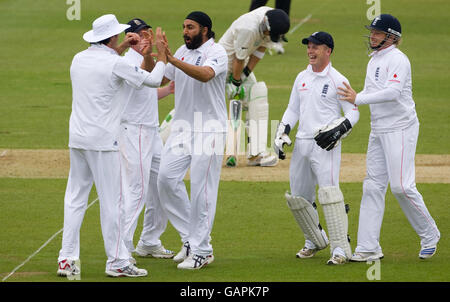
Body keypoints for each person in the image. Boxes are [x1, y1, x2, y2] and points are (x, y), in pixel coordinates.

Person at [57, 14, 167, 278]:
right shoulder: (115, 64)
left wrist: (119, 49)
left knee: (74, 199)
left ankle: (67, 259)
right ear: (113, 37)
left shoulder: (79, 59)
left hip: (78, 140)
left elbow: (105, 60)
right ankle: (117, 261)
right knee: (114, 202)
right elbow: (153, 81)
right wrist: (161, 56)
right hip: (104, 142)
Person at [337, 14, 440, 261]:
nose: (372, 36)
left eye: (378, 33)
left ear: (392, 37)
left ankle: (430, 234)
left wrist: (357, 99)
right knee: (372, 185)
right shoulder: (373, 60)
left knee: (401, 187)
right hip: (379, 129)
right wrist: (351, 99)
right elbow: (371, 92)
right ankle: (368, 247)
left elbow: (393, 92)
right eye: (372, 32)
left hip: (401, 128)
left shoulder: (398, 60)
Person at [274, 31, 360, 265]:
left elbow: (353, 112)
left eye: (316, 47)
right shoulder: (301, 77)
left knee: (330, 194)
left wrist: (338, 130)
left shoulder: (338, 80)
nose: (310, 51)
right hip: (301, 144)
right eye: (309, 47)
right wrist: (282, 132)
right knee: (299, 198)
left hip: (326, 146)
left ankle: (341, 249)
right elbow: (293, 109)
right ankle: (313, 240)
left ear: (328, 51)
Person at [157, 11, 228, 270]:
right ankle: (190, 239)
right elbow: (160, 80)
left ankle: (203, 250)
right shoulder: (181, 51)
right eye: (184, 27)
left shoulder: (217, 52)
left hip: (210, 129)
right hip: (183, 128)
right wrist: (149, 56)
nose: (185, 31)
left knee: (202, 191)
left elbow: (206, 74)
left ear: (205, 30)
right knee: (165, 179)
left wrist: (172, 59)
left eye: (191, 27)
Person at [118, 18, 175, 264]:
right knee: (136, 190)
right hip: (134, 132)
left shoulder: (142, 59)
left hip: (151, 131)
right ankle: (121, 249)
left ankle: (150, 241)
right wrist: (162, 57)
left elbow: (148, 92)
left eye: (147, 33)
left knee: (163, 184)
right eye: (140, 34)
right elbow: (150, 78)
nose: (145, 37)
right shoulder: (124, 62)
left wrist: (169, 90)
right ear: (130, 38)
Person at [219, 7, 290, 167]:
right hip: (220, 67)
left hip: (239, 66)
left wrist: (244, 75)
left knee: (258, 93)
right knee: (206, 107)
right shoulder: (248, 28)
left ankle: (255, 154)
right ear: (264, 25)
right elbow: (238, 58)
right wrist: (235, 83)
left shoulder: (274, 20)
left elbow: (259, 51)